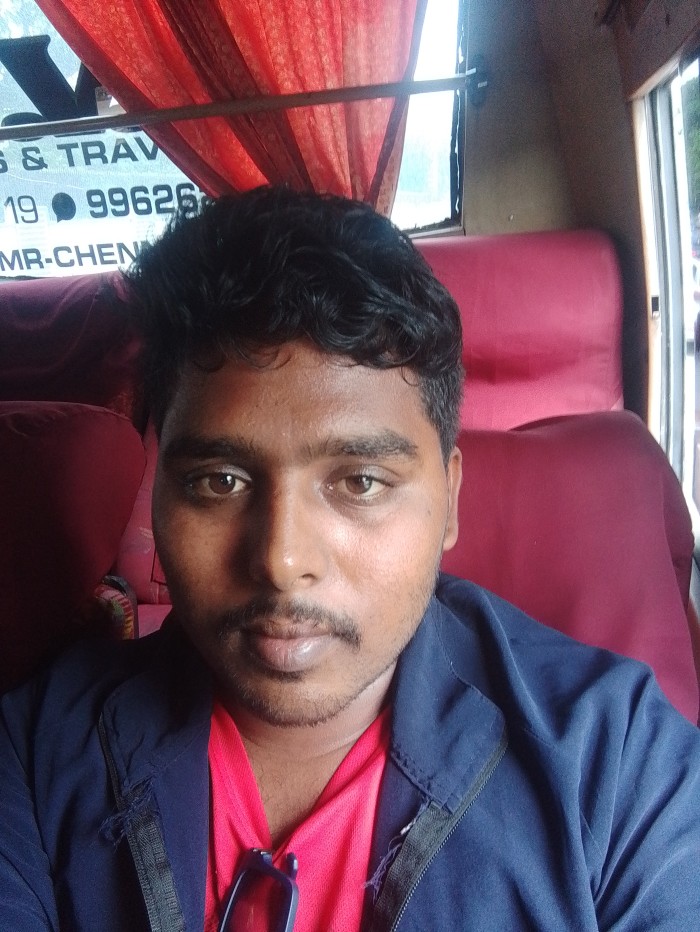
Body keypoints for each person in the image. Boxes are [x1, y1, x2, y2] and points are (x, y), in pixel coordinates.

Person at [1, 186, 700, 932]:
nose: (281, 560)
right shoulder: (40, 749)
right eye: (219, 482)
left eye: (360, 482)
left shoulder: (617, 760)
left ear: (449, 500)